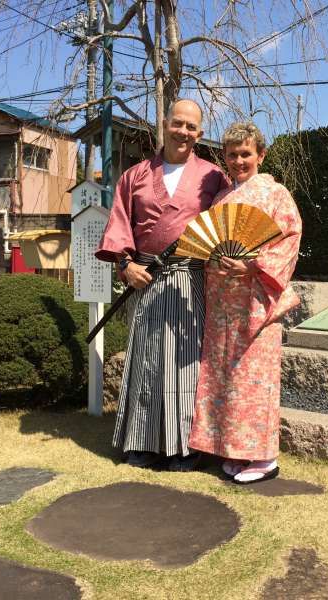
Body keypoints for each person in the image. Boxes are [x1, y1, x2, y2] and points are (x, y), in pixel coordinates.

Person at [95, 99, 228, 471]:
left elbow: (227, 224)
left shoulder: (212, 177)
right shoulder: (135, 175)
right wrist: (126, 265)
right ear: (165, 124)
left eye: (191, 127)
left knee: (185, 366)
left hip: (190, 281)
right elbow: (120, 224)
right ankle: (141, 443)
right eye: (178, 123)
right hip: (146, 279)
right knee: (147, 363)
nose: (183, 132)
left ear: (200, 134)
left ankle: (184, 446)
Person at [188, 122, 302, 484]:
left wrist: (252, 263)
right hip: (223, 303)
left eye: (246, 154)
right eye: (232, 154)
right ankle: (235, 451)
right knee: (226, 378)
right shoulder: (221, 199)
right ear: (225, 157)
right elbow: (208, 243)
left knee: (255, 380)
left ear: (261, 155)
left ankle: (264, 457)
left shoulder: (275, 194)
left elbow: (289, 238)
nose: (239, 161)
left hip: (256, 303)